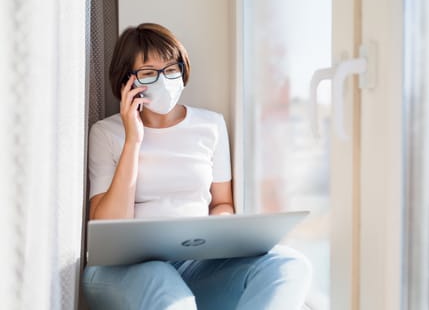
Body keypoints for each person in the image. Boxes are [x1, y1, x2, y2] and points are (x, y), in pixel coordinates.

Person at [82, 23, 312, 310]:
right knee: (164, 286)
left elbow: (222, 203)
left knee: (290, 264)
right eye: (149, 73)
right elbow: (108, 226)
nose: (164, 80)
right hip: (122, 271)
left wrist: (221, 232)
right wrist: (133, 140)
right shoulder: (106, 133)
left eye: (171, 69)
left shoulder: (211, 125)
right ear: (126, 80)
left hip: (195, 267)